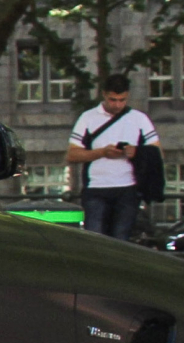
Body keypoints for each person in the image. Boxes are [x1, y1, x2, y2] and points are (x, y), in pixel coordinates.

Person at [67, 75, 157, 239]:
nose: (117, 105)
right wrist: (102, 152)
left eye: (121, 100)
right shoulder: (88, 118)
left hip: (128, 188)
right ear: (104, 95)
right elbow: (72, 155)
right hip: (96, 188)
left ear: (127, 96)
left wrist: (135, 152)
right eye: (112, 100)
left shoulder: (139, 119)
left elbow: (156, 152)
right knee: (95, 238)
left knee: (121, 239)